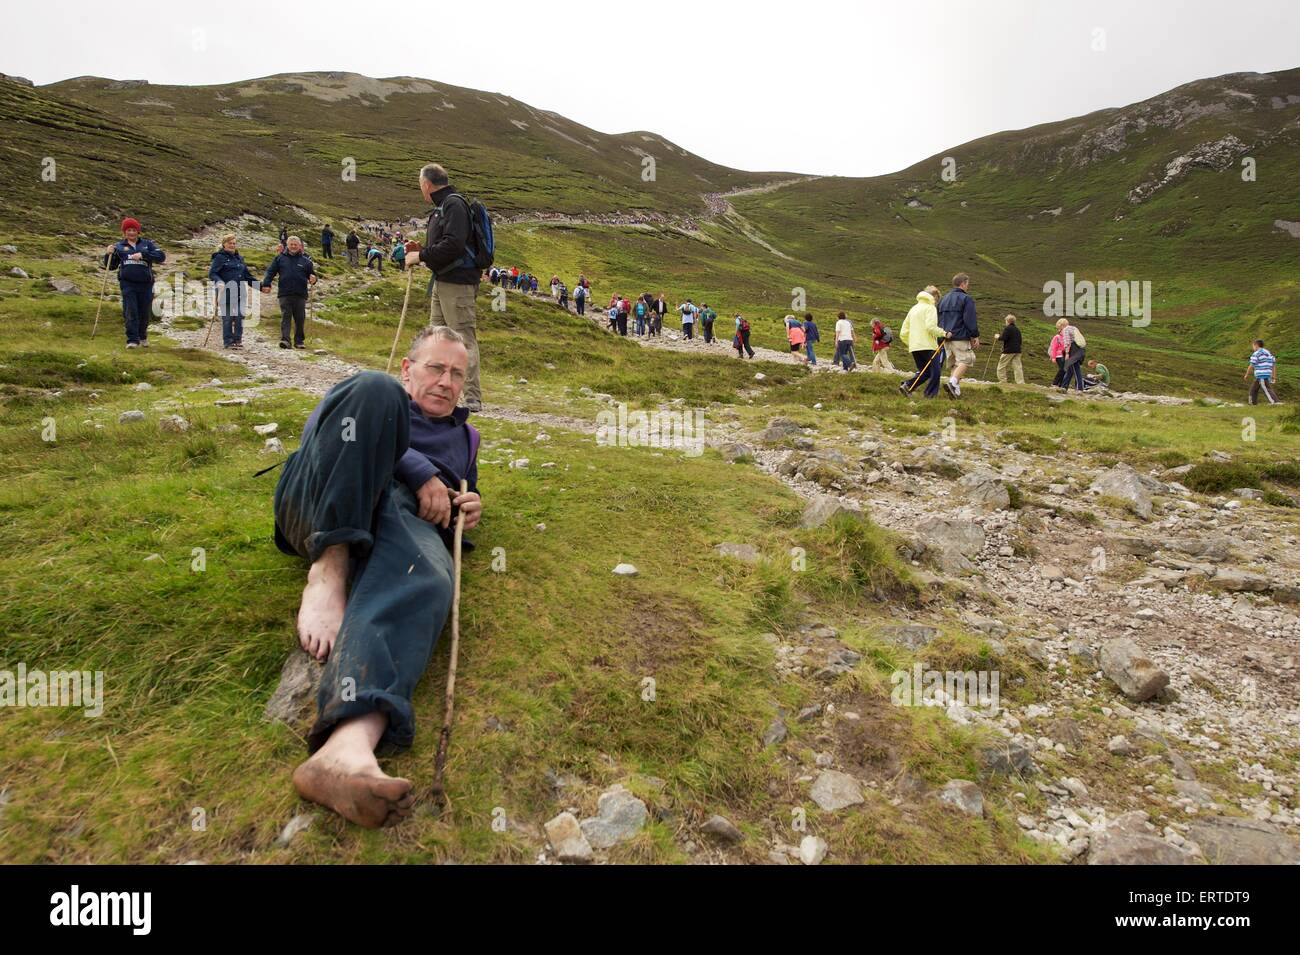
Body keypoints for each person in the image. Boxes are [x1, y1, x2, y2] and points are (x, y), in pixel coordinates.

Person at [275, 326, 483, 830]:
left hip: (400, 521)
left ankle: (347, 749)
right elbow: (319, 438)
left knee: (432, 579)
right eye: (436, 368)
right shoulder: (380, 393)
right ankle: (328, 569)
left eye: (457, 374)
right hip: (327, 499)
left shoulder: (467, 436)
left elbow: (456, 499)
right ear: (410, 369)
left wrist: (467, 507)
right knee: (372, 388)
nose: (446, 382)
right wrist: (416, 469)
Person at [405, 162, 485, 412]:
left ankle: (472, 397)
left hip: (458, 283)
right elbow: (448, 243)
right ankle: (434, 389)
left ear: (426, 184)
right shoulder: (444, 206)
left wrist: (421, 256)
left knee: (463, 338)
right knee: (435, 338)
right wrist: (423, 250)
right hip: (443, 280)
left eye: (420, 185)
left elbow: (453, 245)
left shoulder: (453, 204)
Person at [105, 217, 166, 349]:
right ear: (124, 232)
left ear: (138, 232)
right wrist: (108, 254)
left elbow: (161, 256)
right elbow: (110, 266)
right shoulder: (119, 246)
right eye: (128, 230)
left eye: (133, 230)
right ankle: (132, 340)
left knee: (144, 312)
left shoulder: (147, 244)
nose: (131, 233)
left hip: (145, 284)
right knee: (130, 311)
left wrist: (143, 255)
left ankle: (142, 336)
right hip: (128, 284)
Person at [261, 235, 317, 349]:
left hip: (300, 293)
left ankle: (299, 341)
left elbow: (312, 275)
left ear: (300, 246)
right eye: (291, 244)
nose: (293, 246)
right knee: (286, 316)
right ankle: (285, 340)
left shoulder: (306, 261)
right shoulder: (279, 258)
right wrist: (266, 284)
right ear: (287, 245)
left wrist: (314, 279)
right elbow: (270, 272)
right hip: (284, 292)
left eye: (295, 244)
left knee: (300, 318)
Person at [208, 232, 258, 350]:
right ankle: (228, 341)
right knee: (228, 317)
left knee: (240, 316)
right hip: (225, 291)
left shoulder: (239, 258)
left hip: (240, 291)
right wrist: (219, 281)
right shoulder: (219, 257)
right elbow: (212, 273)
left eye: (234, 243)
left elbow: (247, 276)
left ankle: (238, 340)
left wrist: (261, 286)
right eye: (230, 243)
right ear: (224, 244)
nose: (232, 245)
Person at [938, 273, 979, 399]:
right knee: (967, 359)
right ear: (963, 284)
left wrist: (941, 336)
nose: (968, 286)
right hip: (960, 336)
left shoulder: (943, 299)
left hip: (946, 337)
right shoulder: (966, 299)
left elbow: (938, 319)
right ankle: (952, 382)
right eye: (967, 284)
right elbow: (969, 319)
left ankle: (955, 391)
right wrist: (975, 335)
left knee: (955, 364)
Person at [898, 286, 943, 398]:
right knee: (935, 372)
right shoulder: (930, 308)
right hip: (929, 346)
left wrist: (912, 343)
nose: (936, 302)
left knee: (925, 372)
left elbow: (903, 332)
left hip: (915, 347)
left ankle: (908, 385)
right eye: (937, 299)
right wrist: (944, 333)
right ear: (934, 297)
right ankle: (929, 396)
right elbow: (930, 327)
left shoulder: (913, 308)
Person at [1055, 317, 1086, 391]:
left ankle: (1079, 388)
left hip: (1073, 351)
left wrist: (1067, 353)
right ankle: (1064, 386)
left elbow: (1067, 342)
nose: (1059, 330)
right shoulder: (1074, 328)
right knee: (1070, 369)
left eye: (1059, 328)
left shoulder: (1066, 330)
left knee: (1076, 369)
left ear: (1061, 325)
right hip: (1080, 350)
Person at [1245, 339, 1279, 405]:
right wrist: (1273, 375)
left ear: (1256, 345)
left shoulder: (1256, 353)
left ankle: (1275, 402)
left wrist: (1247, 374)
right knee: (1253, 389)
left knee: (1266, 389)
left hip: (1261, 375)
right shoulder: (1268, 353)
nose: (1253, 348)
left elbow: (1251, 364)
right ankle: (1252, 403)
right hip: (1266, 374)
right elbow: (1273, 364)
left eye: (1253, 346)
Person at [995, 314, 1024, 384]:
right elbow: (1020, 340)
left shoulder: (1008, 328)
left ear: (1007, 321)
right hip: (1017, 350)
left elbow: (1003, 338)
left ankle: (1003, 381)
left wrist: (997, 337)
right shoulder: (1017, 329)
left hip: (1009, 350)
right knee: (1017, 367)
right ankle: (1020, 382)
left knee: (1001, 366)